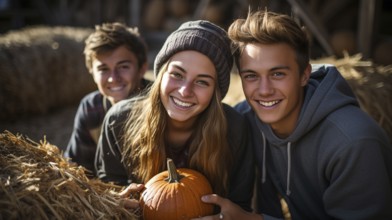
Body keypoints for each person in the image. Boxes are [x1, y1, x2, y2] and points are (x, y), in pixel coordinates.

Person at [196, 10, 392, 220]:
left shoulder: (353, 143)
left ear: (304, 75)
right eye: (251, 76)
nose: (264, 90)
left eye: (277, 74)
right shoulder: (247, 119)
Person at [94, 20, 254, 212]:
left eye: (202, 82)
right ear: (161, 74)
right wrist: (115, 202)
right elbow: (108, 187)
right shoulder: (119, 120)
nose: (185, 91)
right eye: (177, 74)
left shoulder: (235, 128)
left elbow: (240, 204)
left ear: (216, 93)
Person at [64, 22, 151, 175]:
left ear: (142, 68)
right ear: (92, 72)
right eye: (103, 69)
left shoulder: (158, 103)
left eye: (123, 67)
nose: (113, 78)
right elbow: (77, 168)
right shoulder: (91, 108)